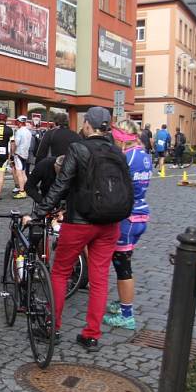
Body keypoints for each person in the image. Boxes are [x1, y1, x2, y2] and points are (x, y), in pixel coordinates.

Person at [26, 106, 129, 351]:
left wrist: (39, 213)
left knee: (60, 272)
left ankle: (53, 326)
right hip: (109, 223)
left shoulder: (78, 148)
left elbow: (61, 185)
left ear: (86, 125)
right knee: (100, 278)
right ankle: (91, 335)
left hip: (79, 222)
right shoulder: (117, 151)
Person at [103, 120, 151, 331]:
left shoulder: (125, 158)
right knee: (123, 262)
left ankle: (127, 314)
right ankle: (123, 302)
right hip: (141, 213)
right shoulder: (143, 154)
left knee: (123, 268)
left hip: (127, 217)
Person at [12, 115, 32, 199]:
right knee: (24, 173)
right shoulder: (29, 132)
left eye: (17, 122)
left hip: (18, 154)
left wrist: (12, 153)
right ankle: (28, 189)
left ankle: (22, 191)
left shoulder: (19, 132)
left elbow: (16, 144)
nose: (17, 124)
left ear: (20, 122)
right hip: (25, 154)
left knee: (19, 173)